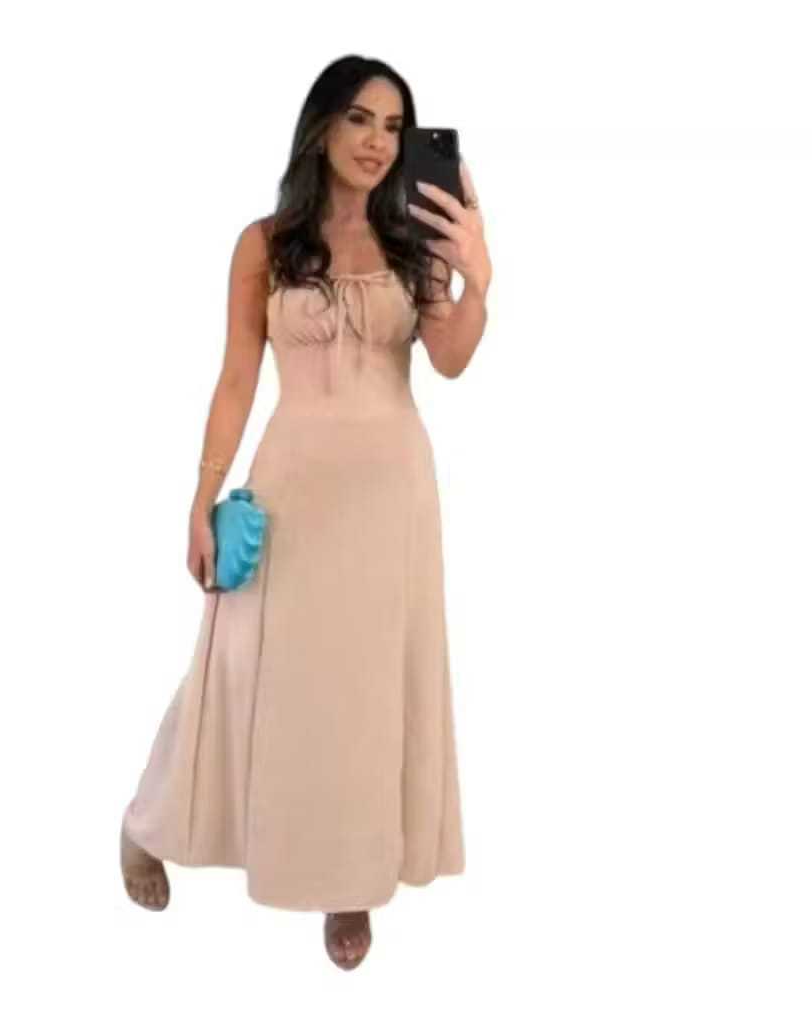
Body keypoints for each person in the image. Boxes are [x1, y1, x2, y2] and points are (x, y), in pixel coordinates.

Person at [119, 55, 491, 971]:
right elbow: (236, 377)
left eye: (394, 127)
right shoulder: (266, 243)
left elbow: (451, 361)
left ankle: (350, 881)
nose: (378, 142)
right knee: (236, 667)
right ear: (322, 127)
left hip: (392, 495)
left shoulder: (414, 240)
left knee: (365, 690)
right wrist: (202, 497)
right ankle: (149, 820)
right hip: (292, 487)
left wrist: (475, 278)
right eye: (361, 119)